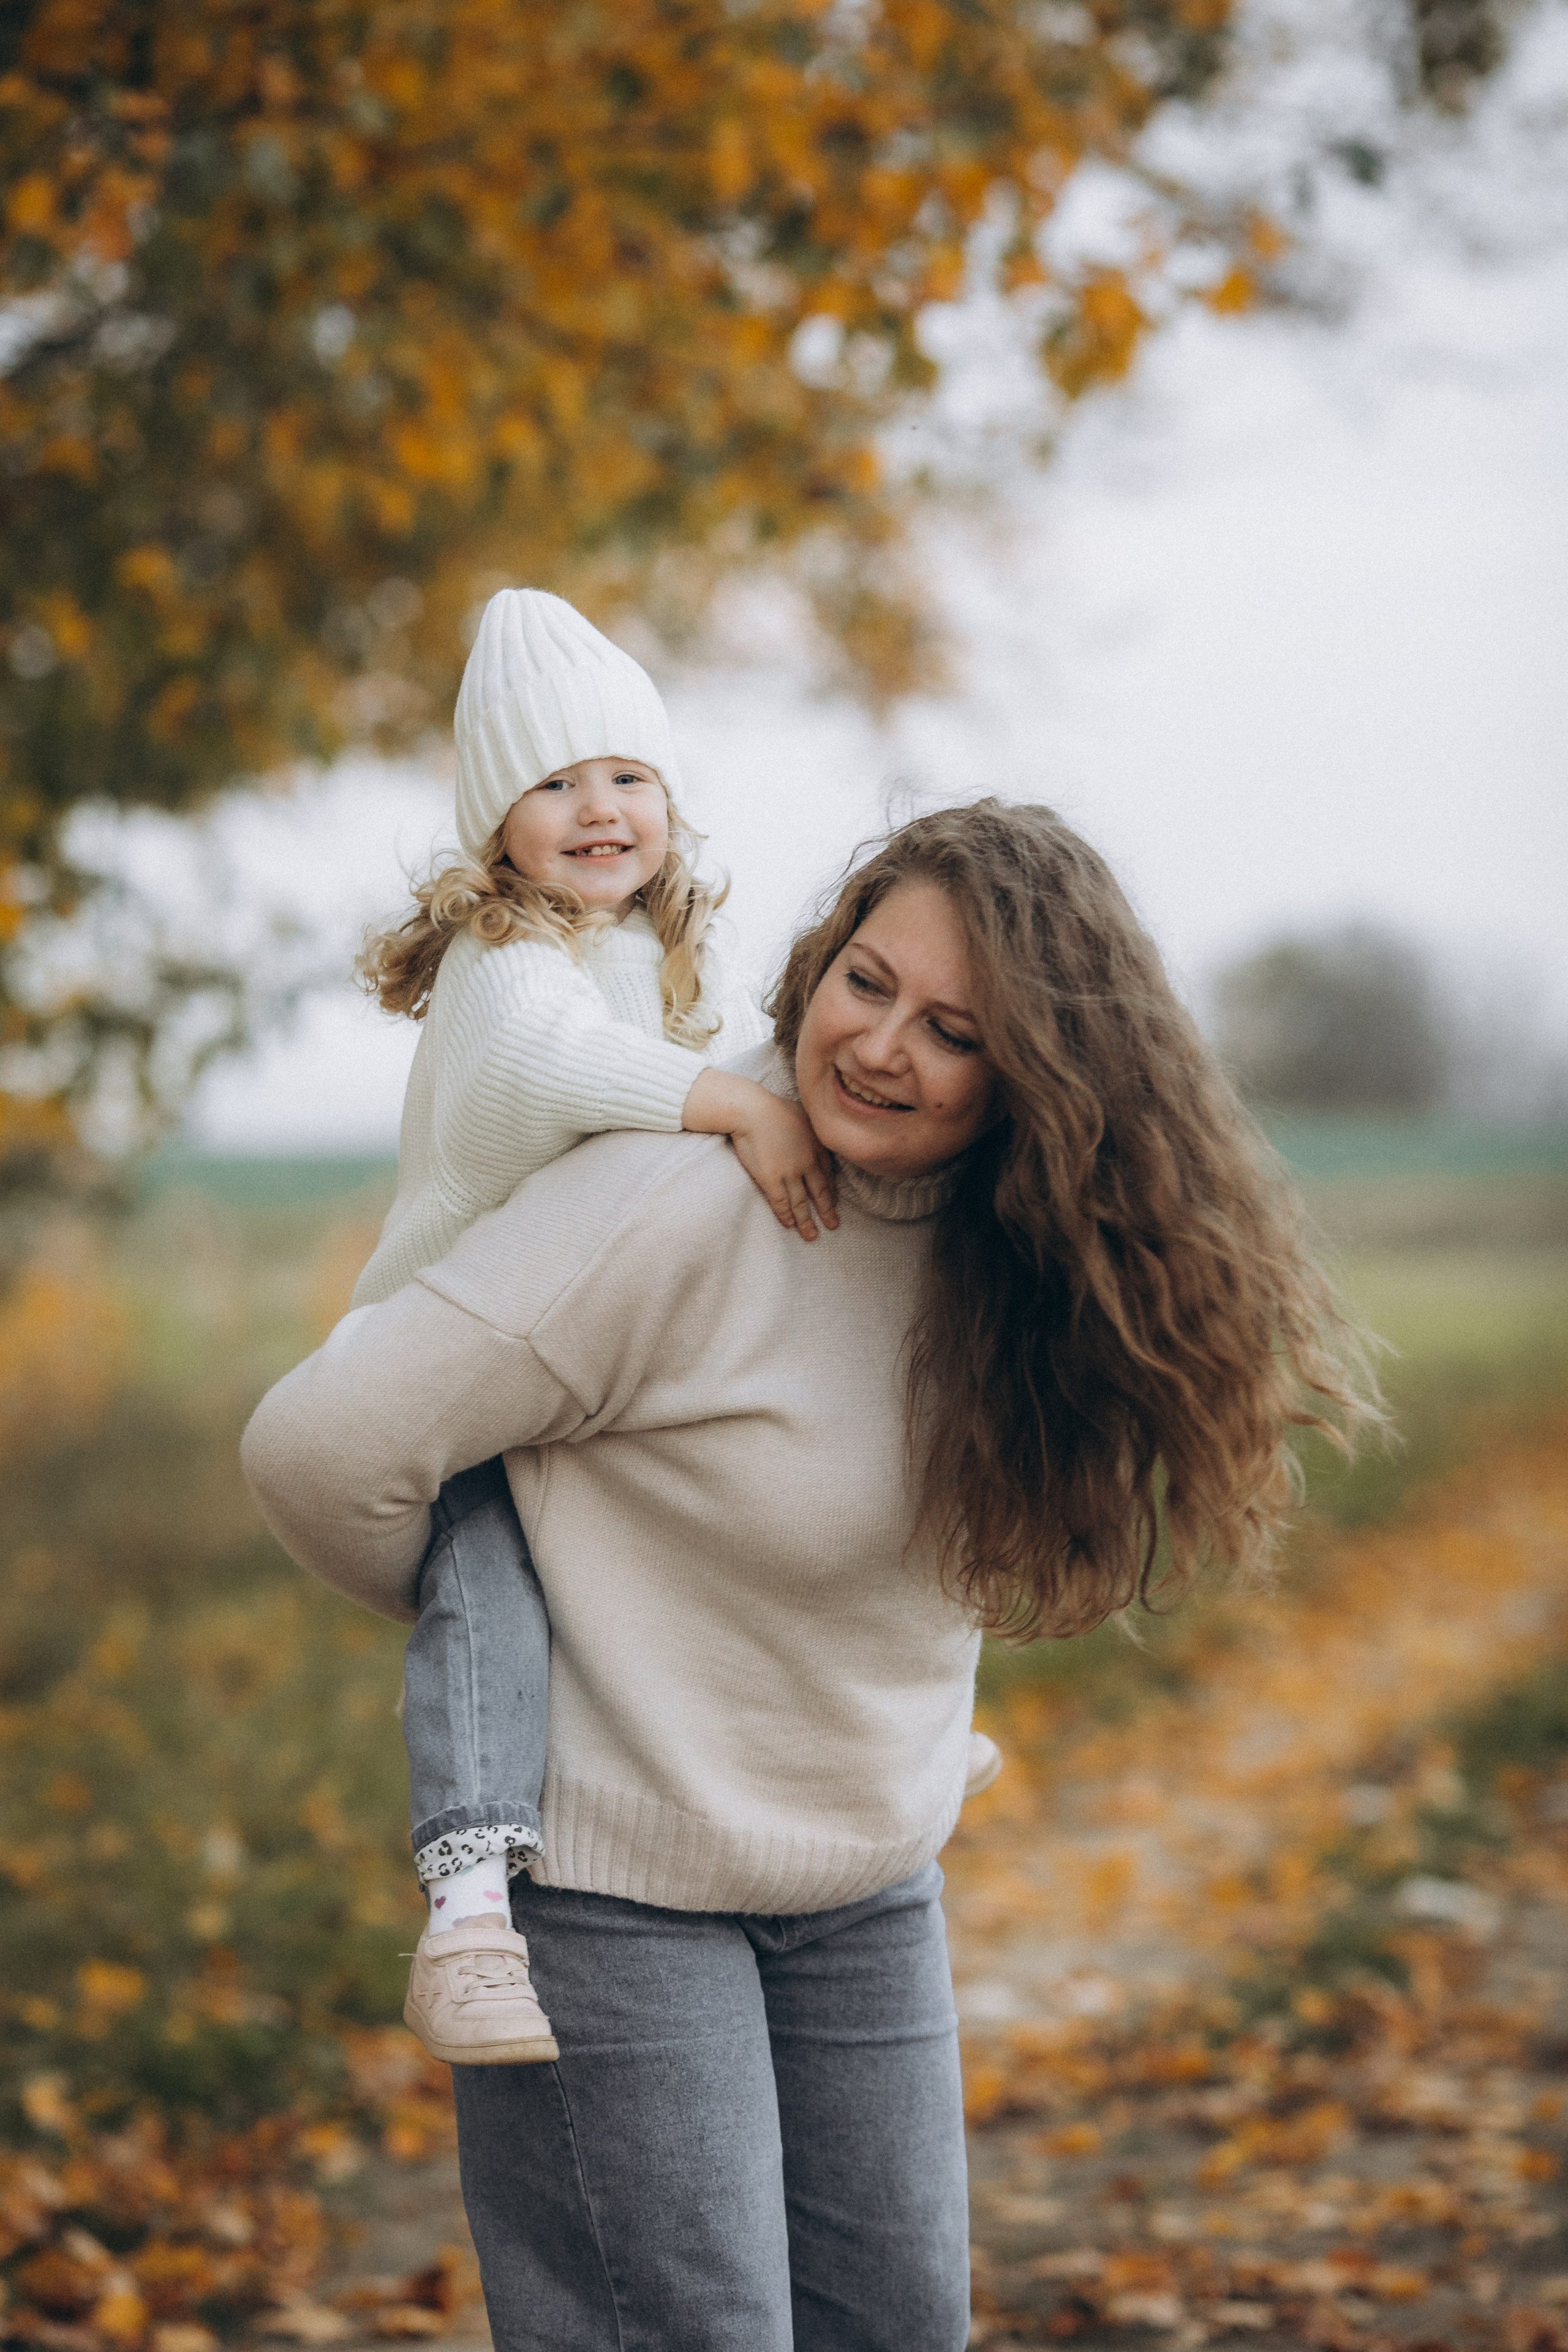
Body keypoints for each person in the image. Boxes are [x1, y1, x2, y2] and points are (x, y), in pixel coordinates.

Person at [242, 799, 1375, 2352]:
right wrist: (506, 1635)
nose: (883, 1048)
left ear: (1039, 1082)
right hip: (616, 1896)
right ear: (813, 965)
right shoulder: (672, 1202)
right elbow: (324, 1447)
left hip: (863, 1890)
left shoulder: (1019, 1244)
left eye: (955, 1030)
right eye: (865, 983)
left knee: (901, 2328)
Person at [350, 586, 843, 2062]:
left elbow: (693, 1084)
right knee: (486, 1593)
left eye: (626, 775)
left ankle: (855, 1744)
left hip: (598, 1365)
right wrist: (736, 1105)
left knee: (745, 1508)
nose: (598, 807)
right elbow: (552, 1076)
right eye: (553, 783)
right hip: (458, 1360)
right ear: (495, 828)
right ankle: (468, 1915)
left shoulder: (658, 961)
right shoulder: (509, 970)